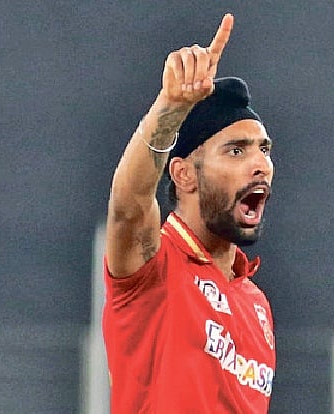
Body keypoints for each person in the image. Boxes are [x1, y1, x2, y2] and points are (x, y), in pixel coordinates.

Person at [102, 13, 276, 413]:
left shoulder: (256, 303)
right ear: (183, 174)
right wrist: (171, 107)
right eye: (236, 150)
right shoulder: (156, 266)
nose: (260, 165)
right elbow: (129, 205)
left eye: (264, 149)